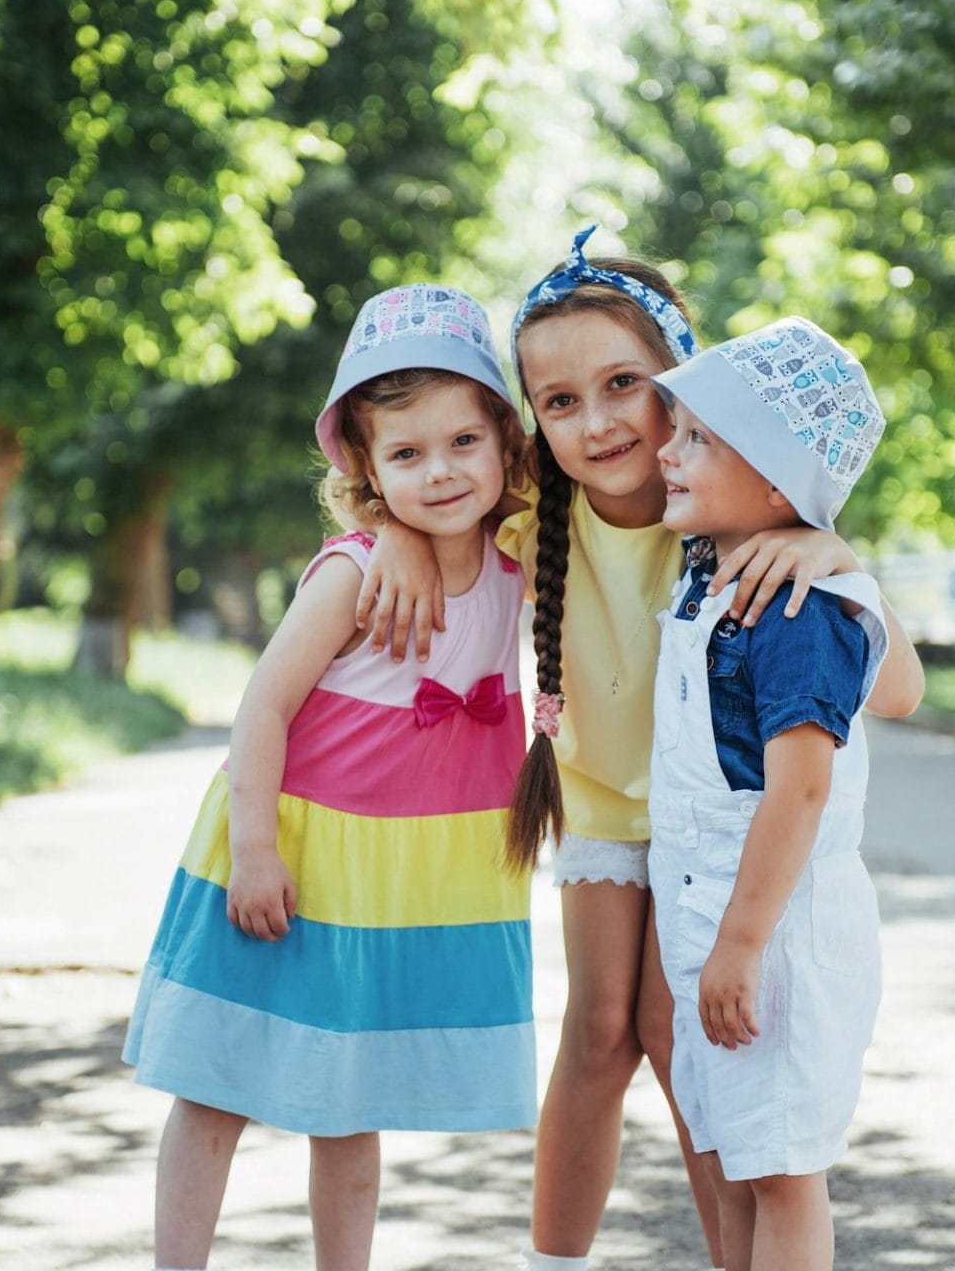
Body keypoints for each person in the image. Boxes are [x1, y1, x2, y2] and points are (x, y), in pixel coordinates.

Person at [360, 228, 925, 1271]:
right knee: (598, 1035)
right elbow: (419, 501)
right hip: (602, 813)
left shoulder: (729, 511)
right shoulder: (531, 518)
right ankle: (554, 1262)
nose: (599, 421)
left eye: (626, 383)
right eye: (560, 402)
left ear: (687, 387)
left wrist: (829, 545)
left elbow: (893, 688)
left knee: (689, 1039)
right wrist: (396, 533)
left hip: (712, 831)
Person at [123, 283, 537, 1271]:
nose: (439, 473)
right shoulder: (353, 573)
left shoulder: (522, 558)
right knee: (216, 1084)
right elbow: (262, 706)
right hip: (293, 850)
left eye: (462, 443)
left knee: (352, 1103)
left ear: (506, 444)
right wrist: (255, 854)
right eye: (405, 455)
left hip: (397, 879)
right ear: (363, 466)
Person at [648, 316, 892, 1271]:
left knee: (785, 1172)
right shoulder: (713, 574)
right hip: (717, 918)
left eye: (698, 437)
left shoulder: (797, 605)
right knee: (746, 1164)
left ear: (780, 483)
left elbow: (800, 790)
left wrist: (740, 945)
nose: (665, 449)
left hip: (772, 931)